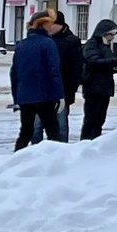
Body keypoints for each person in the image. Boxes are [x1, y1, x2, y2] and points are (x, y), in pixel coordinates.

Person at [10, 12, 67, 148]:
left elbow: (14, 73)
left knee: (25, 132)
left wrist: (16, 97)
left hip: (25, 96)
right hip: (45, 95)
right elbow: (54, 72)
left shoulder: (22, 45)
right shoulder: (48, 43)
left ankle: (16, 161)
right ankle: (57, 162)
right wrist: (60, 96)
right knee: (53, 132)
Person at [81, 18, 117, 139]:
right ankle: (87, 142)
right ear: (103, 33)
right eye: (111, 34)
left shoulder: (105, 47)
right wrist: (115, 61)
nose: (112, 37)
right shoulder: (92, 44)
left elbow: (105, 65)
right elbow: (94, 61)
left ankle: (95, 141)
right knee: (91, 120)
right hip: (94, 87)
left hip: (104, 88)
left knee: (99, 119)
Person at [51, 11, 85, 140]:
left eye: (52, 24)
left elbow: (76, 68)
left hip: (63, 90)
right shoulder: (45, 40)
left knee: (61, 124)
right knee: (37, 126)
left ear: (61, 25)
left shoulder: (72, 41)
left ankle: (61, 150)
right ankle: (37, 154)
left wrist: (70, 91)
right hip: (43, 91)